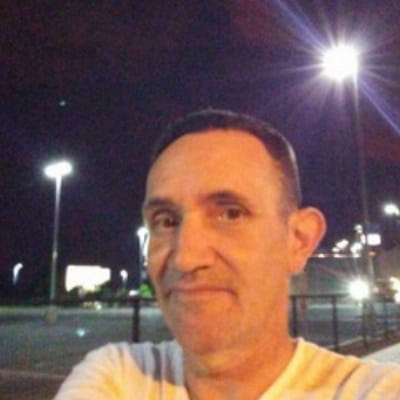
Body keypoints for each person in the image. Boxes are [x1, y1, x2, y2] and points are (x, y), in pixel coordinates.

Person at [55, 109, 400, 400]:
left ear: (298, 240)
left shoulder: (375, 390)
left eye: (231, 213)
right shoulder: (116, 377)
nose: (185, 258)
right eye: (166, 221)